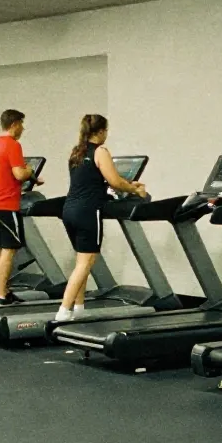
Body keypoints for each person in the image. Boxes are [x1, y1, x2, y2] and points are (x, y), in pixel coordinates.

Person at [54, 114, 147, 323]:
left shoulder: (77, 151)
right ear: (102, 131)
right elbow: (115, 182)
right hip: (88, 211)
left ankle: (78, 308)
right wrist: (135, 189)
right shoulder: (101, 151)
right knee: (85, 263)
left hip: (69, 210)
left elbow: (91, 180)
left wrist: (124, 185)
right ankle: (63, 311)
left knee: (81, 261)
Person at [0, 109, 39, 306]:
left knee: (2, 250)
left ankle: (4, 291)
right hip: (6, 205)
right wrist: (29, 170)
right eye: (21, 124)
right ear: (15, 124)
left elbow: (5, 172)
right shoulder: (13, 145)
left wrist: (32, 177)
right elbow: (19, 174)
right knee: (9, 251)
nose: (23, 129)